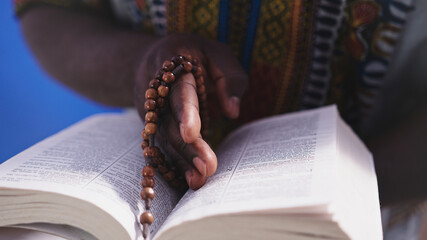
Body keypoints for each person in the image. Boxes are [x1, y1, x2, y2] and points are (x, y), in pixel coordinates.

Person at [14, 0, 427, 209]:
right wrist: (139, 65)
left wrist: (350, 192)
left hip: (372, 212)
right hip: (162, 201)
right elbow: (50, 8)